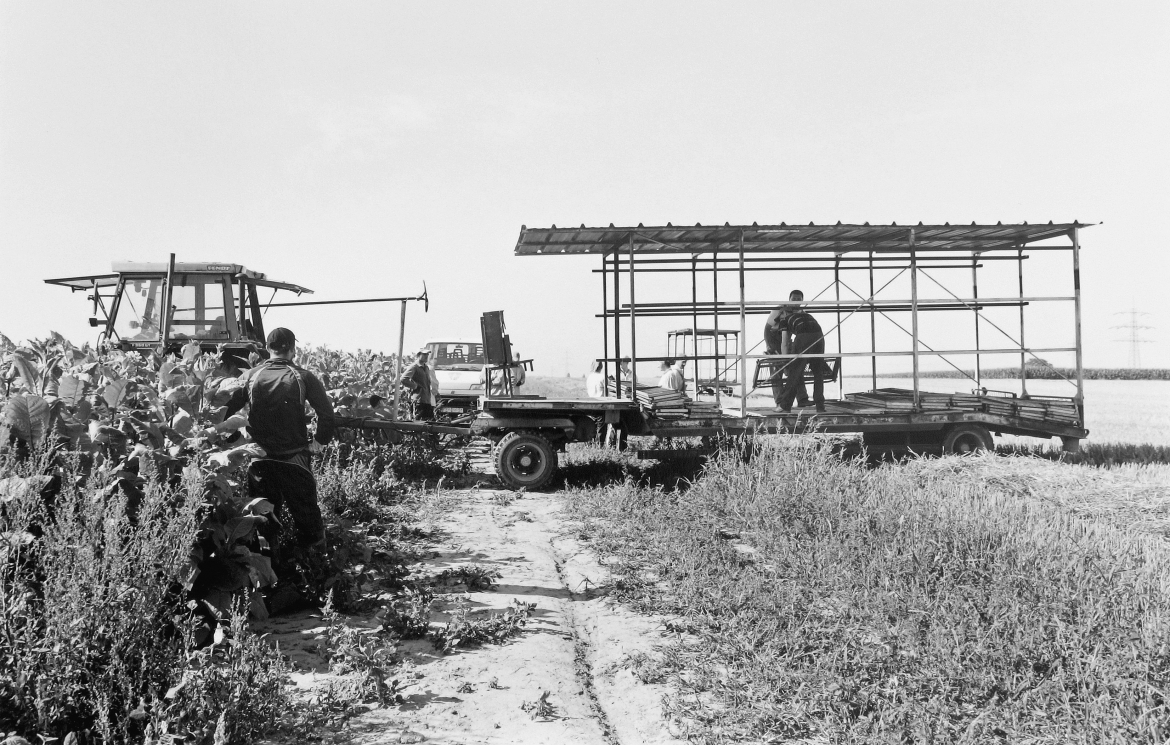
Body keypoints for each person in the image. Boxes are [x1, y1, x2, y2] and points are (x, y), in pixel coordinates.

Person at [222, 327, 337, 605]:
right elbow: (327, 414)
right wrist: (319, 442)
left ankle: (269, 581)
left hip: (260, 461)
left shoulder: (250, 376)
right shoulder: (303, 376)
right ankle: (317, 579)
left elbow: (223, 411)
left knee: (263, 522)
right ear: (292, 349)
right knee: (308, 519)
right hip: (294, 460)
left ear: (267, 348)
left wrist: (235, 440)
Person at [777, 306, 828, 413]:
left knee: (795, 372)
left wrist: (785, 362)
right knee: (818, 373)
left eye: (780, 316)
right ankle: (820, 406)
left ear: (784, 313)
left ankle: (784, 406)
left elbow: (785, 342)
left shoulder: (784, 320)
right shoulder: (806, 315)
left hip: (803, 338)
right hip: (820, 337)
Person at [401, 349, 441, 420]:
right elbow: (403, 379)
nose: (426, 356)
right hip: (418, 400)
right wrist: (415, 386)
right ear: (418, 355)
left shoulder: (426, 367)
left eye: (427, 355)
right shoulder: (414, 367)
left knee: (429, 422)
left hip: (427, 400)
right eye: (424, 354)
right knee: (418, 422)